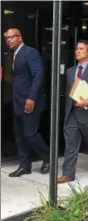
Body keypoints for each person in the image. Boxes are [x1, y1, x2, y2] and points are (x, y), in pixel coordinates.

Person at [57, 40, 88, 184]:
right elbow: (68, 93)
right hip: (72, 114)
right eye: (76, 49)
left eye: (81, 49)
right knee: (70, 144)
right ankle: (68, 174)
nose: (77, 51)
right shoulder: (70, 71)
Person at [5, 28, 50, 177]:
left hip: (30, 102)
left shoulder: (29, 52)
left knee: (30, 133)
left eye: (12, 37)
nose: (9, 40)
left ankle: (47, 157)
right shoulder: (13, 55)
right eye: (7, 38)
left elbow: (38, 75)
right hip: (17, 101)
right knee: (19, 135)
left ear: (20, 37)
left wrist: (31, 98)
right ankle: (24, 166)